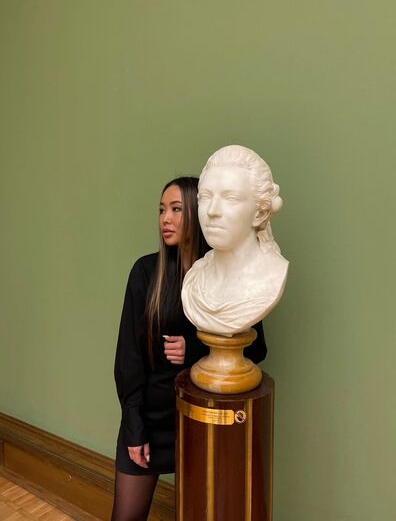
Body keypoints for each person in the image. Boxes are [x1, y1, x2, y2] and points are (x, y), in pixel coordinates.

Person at [112, 175, 268, 521]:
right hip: (150, 417)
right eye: (161, 210)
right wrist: (134, 428)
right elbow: (128, 360)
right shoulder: (145, 272)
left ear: (199, 214)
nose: (165, 219)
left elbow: (257, 349)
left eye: (176, 209)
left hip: (203, 420)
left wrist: (195, 351)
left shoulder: (230, 277)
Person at [182, 145, 289, 337]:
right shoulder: (195, 280)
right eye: (205, 197)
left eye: (230, 198)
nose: (212, 211)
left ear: (259, 213)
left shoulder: (270, 277)